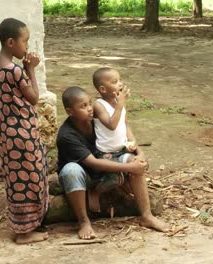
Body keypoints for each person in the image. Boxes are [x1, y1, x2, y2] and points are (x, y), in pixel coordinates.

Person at [56, 86, 168, 240]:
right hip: (82, 177)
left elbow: (121, 134)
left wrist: (139, 154)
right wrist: (130, 168)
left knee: (132, 160)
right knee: (71, 170)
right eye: (83, 106)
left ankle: (146, 216)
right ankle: (83, 221)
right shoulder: (66, 135)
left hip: (104, 171)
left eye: (89, 103)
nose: (89, 109)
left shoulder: (97, 120)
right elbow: (93, 163)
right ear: (70, 112)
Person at [0, 18, 49, 244]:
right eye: (25, 42)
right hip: (23, 134)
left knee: (16, 179)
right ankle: (25, 232)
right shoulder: (14, 70)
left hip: (6, 133)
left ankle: (28, 225)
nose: (27, 46)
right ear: (11, 42)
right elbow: (33, 98)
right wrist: (30, 69)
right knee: (31, 177)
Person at [89, 67, 136, 213]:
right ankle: (94, 192)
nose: (120, 84)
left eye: (120, 80)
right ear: (103, 89)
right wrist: (121, 104)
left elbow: (124, 124)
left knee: (139, 164)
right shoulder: (99, 105)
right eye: (115, 82)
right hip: (105, 154)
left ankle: (126, 186)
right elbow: (111, 125)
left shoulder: (118, 103)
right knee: (114, 179)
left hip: (121, 150)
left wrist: (132, 142)